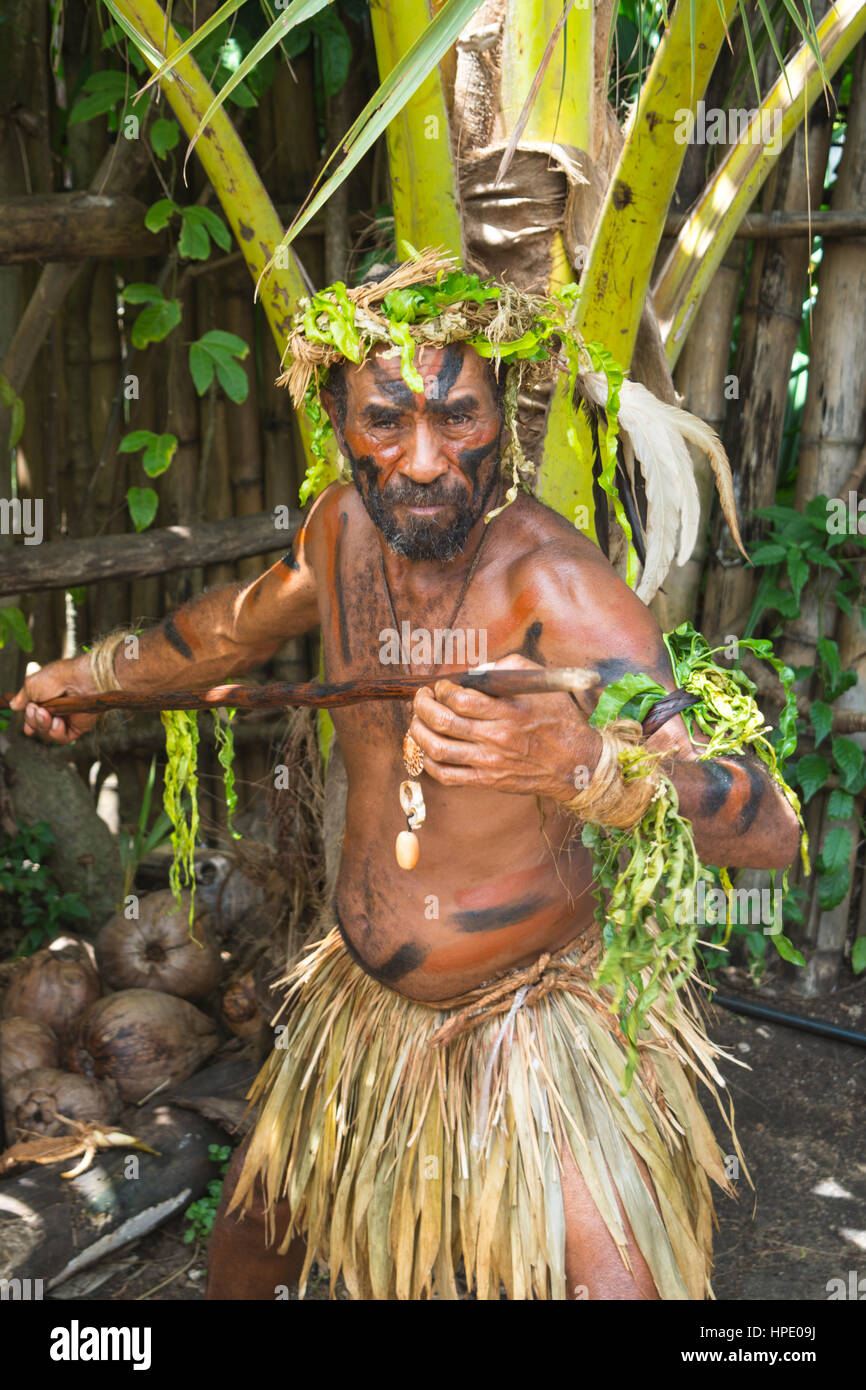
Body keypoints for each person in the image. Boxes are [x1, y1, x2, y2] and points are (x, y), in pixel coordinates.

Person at [11, 255, 800, 1301]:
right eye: (386, 422)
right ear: (340, 420)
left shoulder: (556, 585)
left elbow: (767, 826)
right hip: (365, 1012)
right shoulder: (340, 530)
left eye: (456, 419)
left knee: (614, 1288)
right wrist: (89, 677)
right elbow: (219, 634)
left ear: (502, 423)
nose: (422, 460)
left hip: (531, 1022)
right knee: (249, 1245)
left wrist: (586, 767)